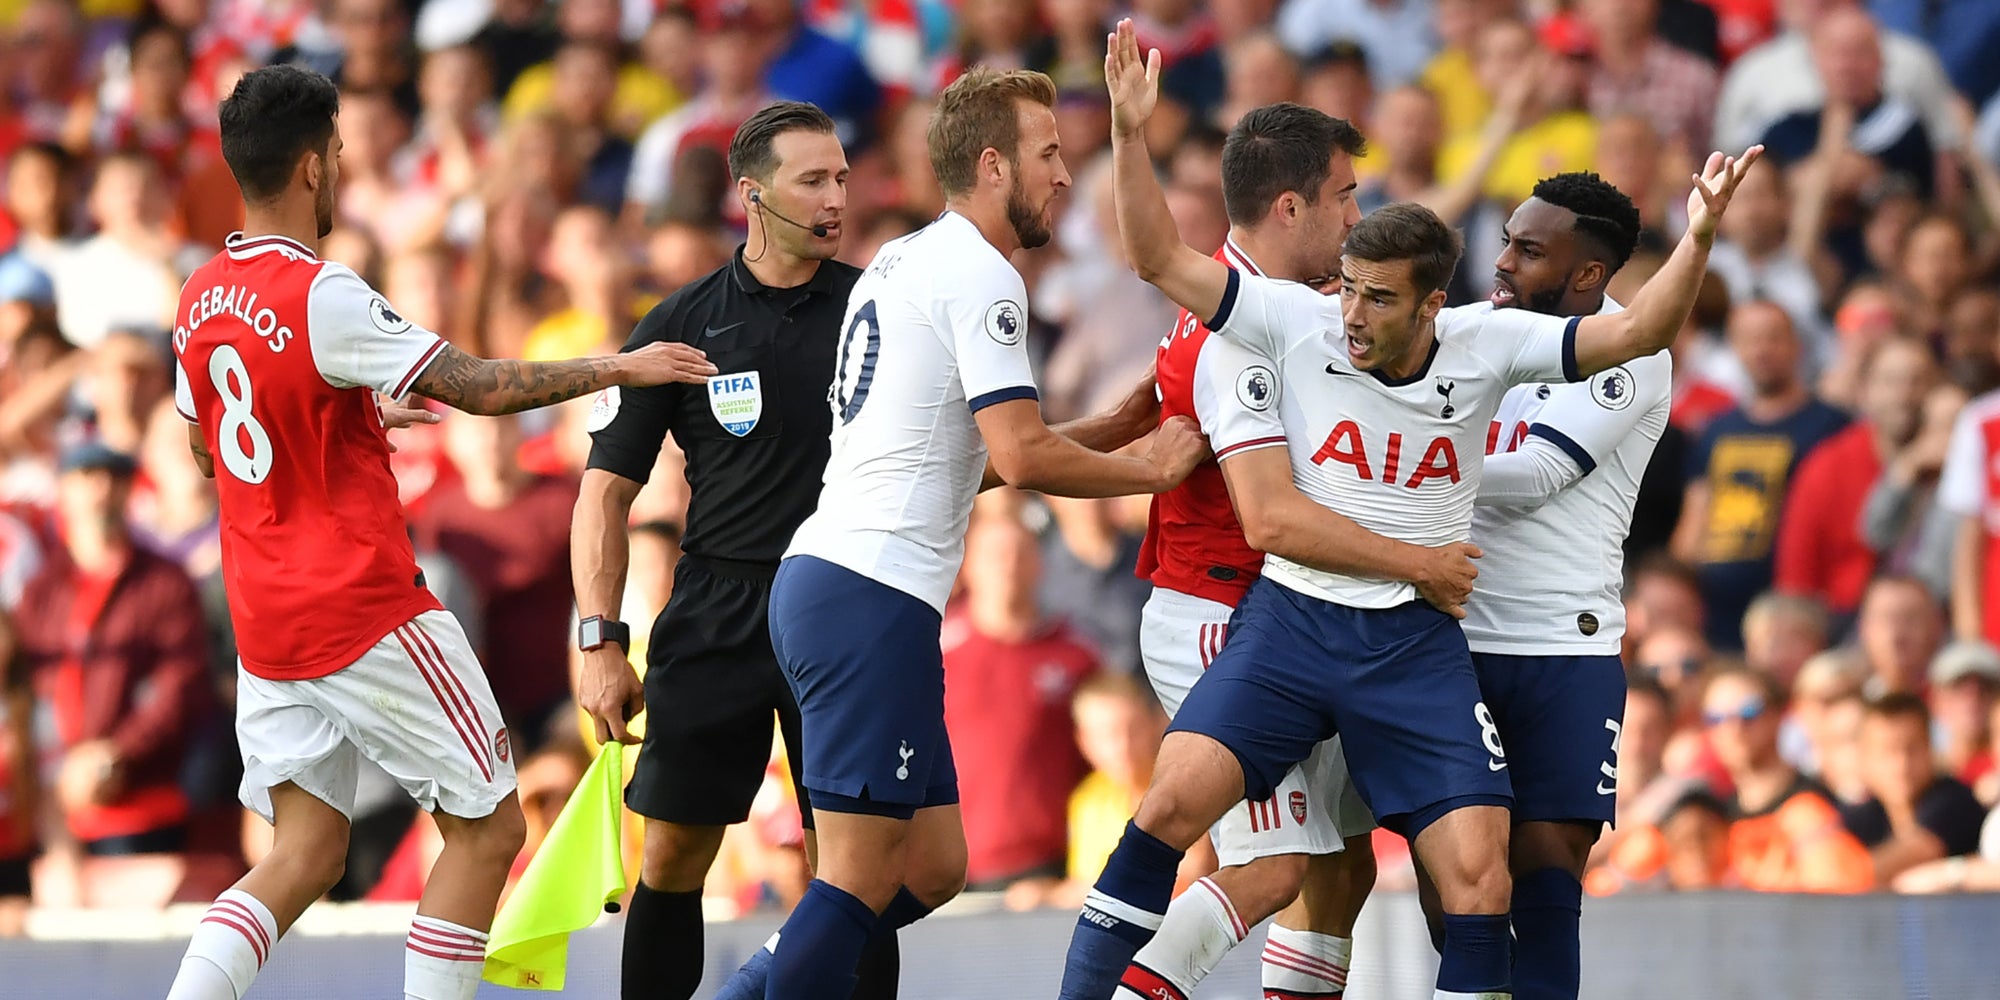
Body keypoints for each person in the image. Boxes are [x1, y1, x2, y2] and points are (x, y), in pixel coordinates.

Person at [1060, 21, 1759, 1000]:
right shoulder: (1293, 320)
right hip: (1287, 622)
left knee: (1470, 874)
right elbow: (1153, 258)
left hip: (1413, 644)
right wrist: (1128, 134)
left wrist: (1699, 234)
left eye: (1374, 300)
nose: (1349, 314)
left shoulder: (1488, 344)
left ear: (1433, 304)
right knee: (1177, 808)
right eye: (1346, 290)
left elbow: (1638, 327)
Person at [160, 65, 714, 1000]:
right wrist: (624, 363)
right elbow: (480, 387)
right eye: (335, 153)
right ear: (308, 168)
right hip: (362, 610)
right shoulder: (322, 293)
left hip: (268, 625)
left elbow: (210, 453)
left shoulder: (199, 296)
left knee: (304, 850)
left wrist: (351, 411)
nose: (340, 167)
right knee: (491, 826)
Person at [722, 65, 1206, 1000]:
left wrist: (1106, 432)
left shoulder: (906, 256)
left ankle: (777, 970)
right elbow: (1020, 461)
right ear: (993, 166)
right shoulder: (985, 277)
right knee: (858, 877)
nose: (1066, 176)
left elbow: (960, 459)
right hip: (870, 595)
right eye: (1049, 155)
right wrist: (1147, 471)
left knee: (933, 863)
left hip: (840, 582)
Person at [568, 100, 923, 1000]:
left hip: (843, 607)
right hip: (718, 610)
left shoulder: (877, 310)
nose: (836, 197)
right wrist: (600, 638)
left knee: (851, 865)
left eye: (842, 176)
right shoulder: (679, 324)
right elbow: (605, 492)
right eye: (813, 180)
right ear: (751, 195)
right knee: (675, 849)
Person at [1127, 101, 1481, 1000]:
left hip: (1314, 621)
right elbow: (1269, 522)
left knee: (1342, 868)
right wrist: (1422, 562)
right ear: (1291, 208)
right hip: (1229, 610)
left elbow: (1147, 408)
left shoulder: (1286, 302)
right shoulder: (1236, 326)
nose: (1357, 216)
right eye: (1346, 196)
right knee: (1271, 867)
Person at [1442, 171, 1663, 1000]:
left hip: (1562, 651)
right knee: (1457, 882)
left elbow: (1538, 473)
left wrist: (1406, 471)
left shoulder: (1634, 351)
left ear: (1587, 276)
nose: (1501, 262)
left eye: (1528, 250)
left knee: (1544, 875)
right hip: (1450, 640)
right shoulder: (1472, 330)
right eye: (1506, 239)